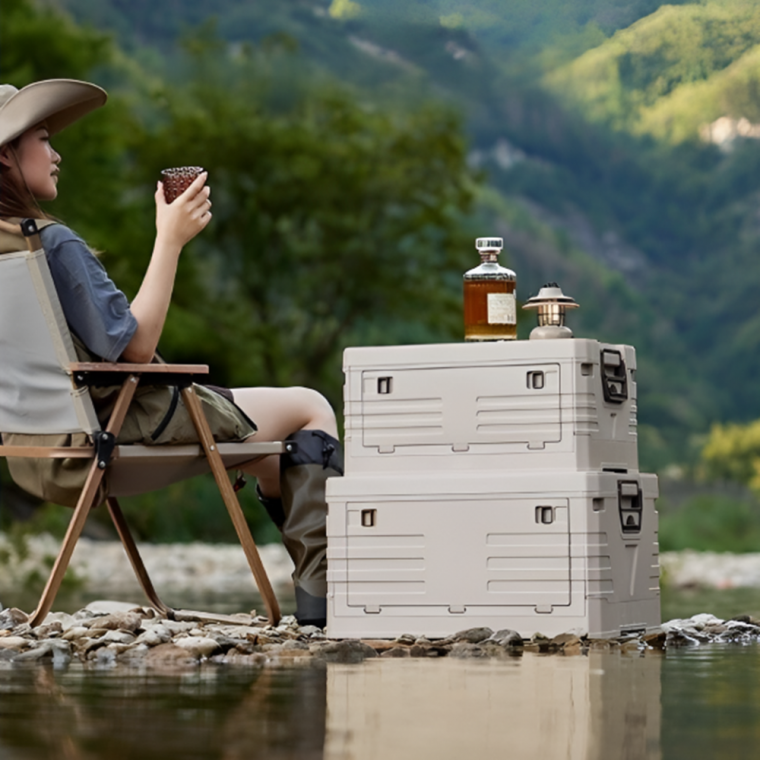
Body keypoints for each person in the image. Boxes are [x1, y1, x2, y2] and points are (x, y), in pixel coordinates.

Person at [0, 79, 342, 627]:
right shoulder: (50, 242)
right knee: (309, 408)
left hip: (32, 454)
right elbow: (136, 348)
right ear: (5, 154)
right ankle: (323, 598)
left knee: (274, 448)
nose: (56, 152)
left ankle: (314, 593)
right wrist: (169, 239)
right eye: (43, 138)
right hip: (114, 434)